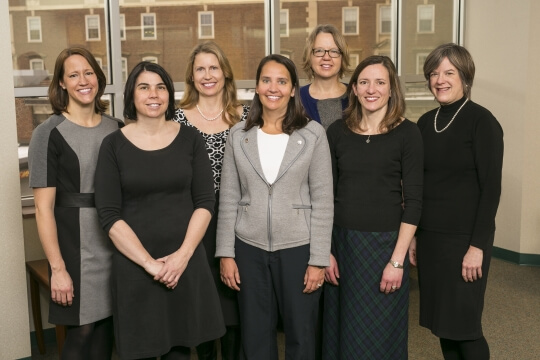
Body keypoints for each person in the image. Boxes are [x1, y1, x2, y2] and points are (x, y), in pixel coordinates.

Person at [94, 61, 225, 359]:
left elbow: (205, 202)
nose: (153, 94)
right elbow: (109, 214)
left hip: (185, 262)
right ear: (132, 95)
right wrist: (150, 264)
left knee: (180, 349)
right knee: (141, 349)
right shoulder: (112, 145)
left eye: (160, 87)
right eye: (144, 87)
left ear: (169, 94)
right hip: (136, 267)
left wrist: (181, 257)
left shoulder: (190, 139)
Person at [216, 54, 333, 360]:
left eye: (282, 81)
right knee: (254, 336)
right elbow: (228, 198)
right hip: (248, 248)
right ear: (257, 86)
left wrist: (319, 259)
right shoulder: (238, 135)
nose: (273, 88)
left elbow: (323, 201)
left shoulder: (312, 134)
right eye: (266, 80)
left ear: (293, 89)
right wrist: (226, 253)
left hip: (298, 248)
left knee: (301, 335)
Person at [323, 55, 423, 360]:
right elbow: (325, 196)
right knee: (342, 332)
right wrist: (323, 251)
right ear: (353, 88)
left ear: (392, 89)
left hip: (385, 247)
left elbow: (415, 201)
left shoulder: (408, 134)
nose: (371, 89)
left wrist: (397, 262)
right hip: (341, 247)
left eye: (380, 82)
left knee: (379, 334)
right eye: (364, 82)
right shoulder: (337, 132)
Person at [28, 47, 122, 359]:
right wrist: (58, 269)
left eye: (89, 72)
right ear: (61, 84)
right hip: (74, 248)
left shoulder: (117, 128)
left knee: (107, 332)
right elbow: (43, 208)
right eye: (73, 74)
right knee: (81, 332)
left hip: (116, 243)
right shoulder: (47, 133)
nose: (83, 80)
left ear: (98, 78)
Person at [412, 43, 503, 360]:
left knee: (465, 328)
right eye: (434, 73)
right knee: (443, 326)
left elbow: (490, 190)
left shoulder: (482, 122)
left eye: (449, 72)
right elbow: (419, 185)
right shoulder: (424, 123)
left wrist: (477, 247)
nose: (440, 79)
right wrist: (413, 239)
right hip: (431, 240)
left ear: (465, 77)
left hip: (466, 243)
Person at [173, 41, 248, 360]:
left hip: (237, 220)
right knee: (202, 302)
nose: (207, 75)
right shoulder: (176, 119)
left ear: (225, 73)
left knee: (233, 300)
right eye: (200, 68)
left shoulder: (245, 118)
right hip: (193, 221)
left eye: (213, 67)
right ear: (191, 76)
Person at [300, 24, 350, 130]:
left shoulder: (356, 96)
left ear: (342, 57)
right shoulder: (297, 98)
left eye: (334, 51)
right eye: (319, 51)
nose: (326, 57)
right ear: (310, 56)